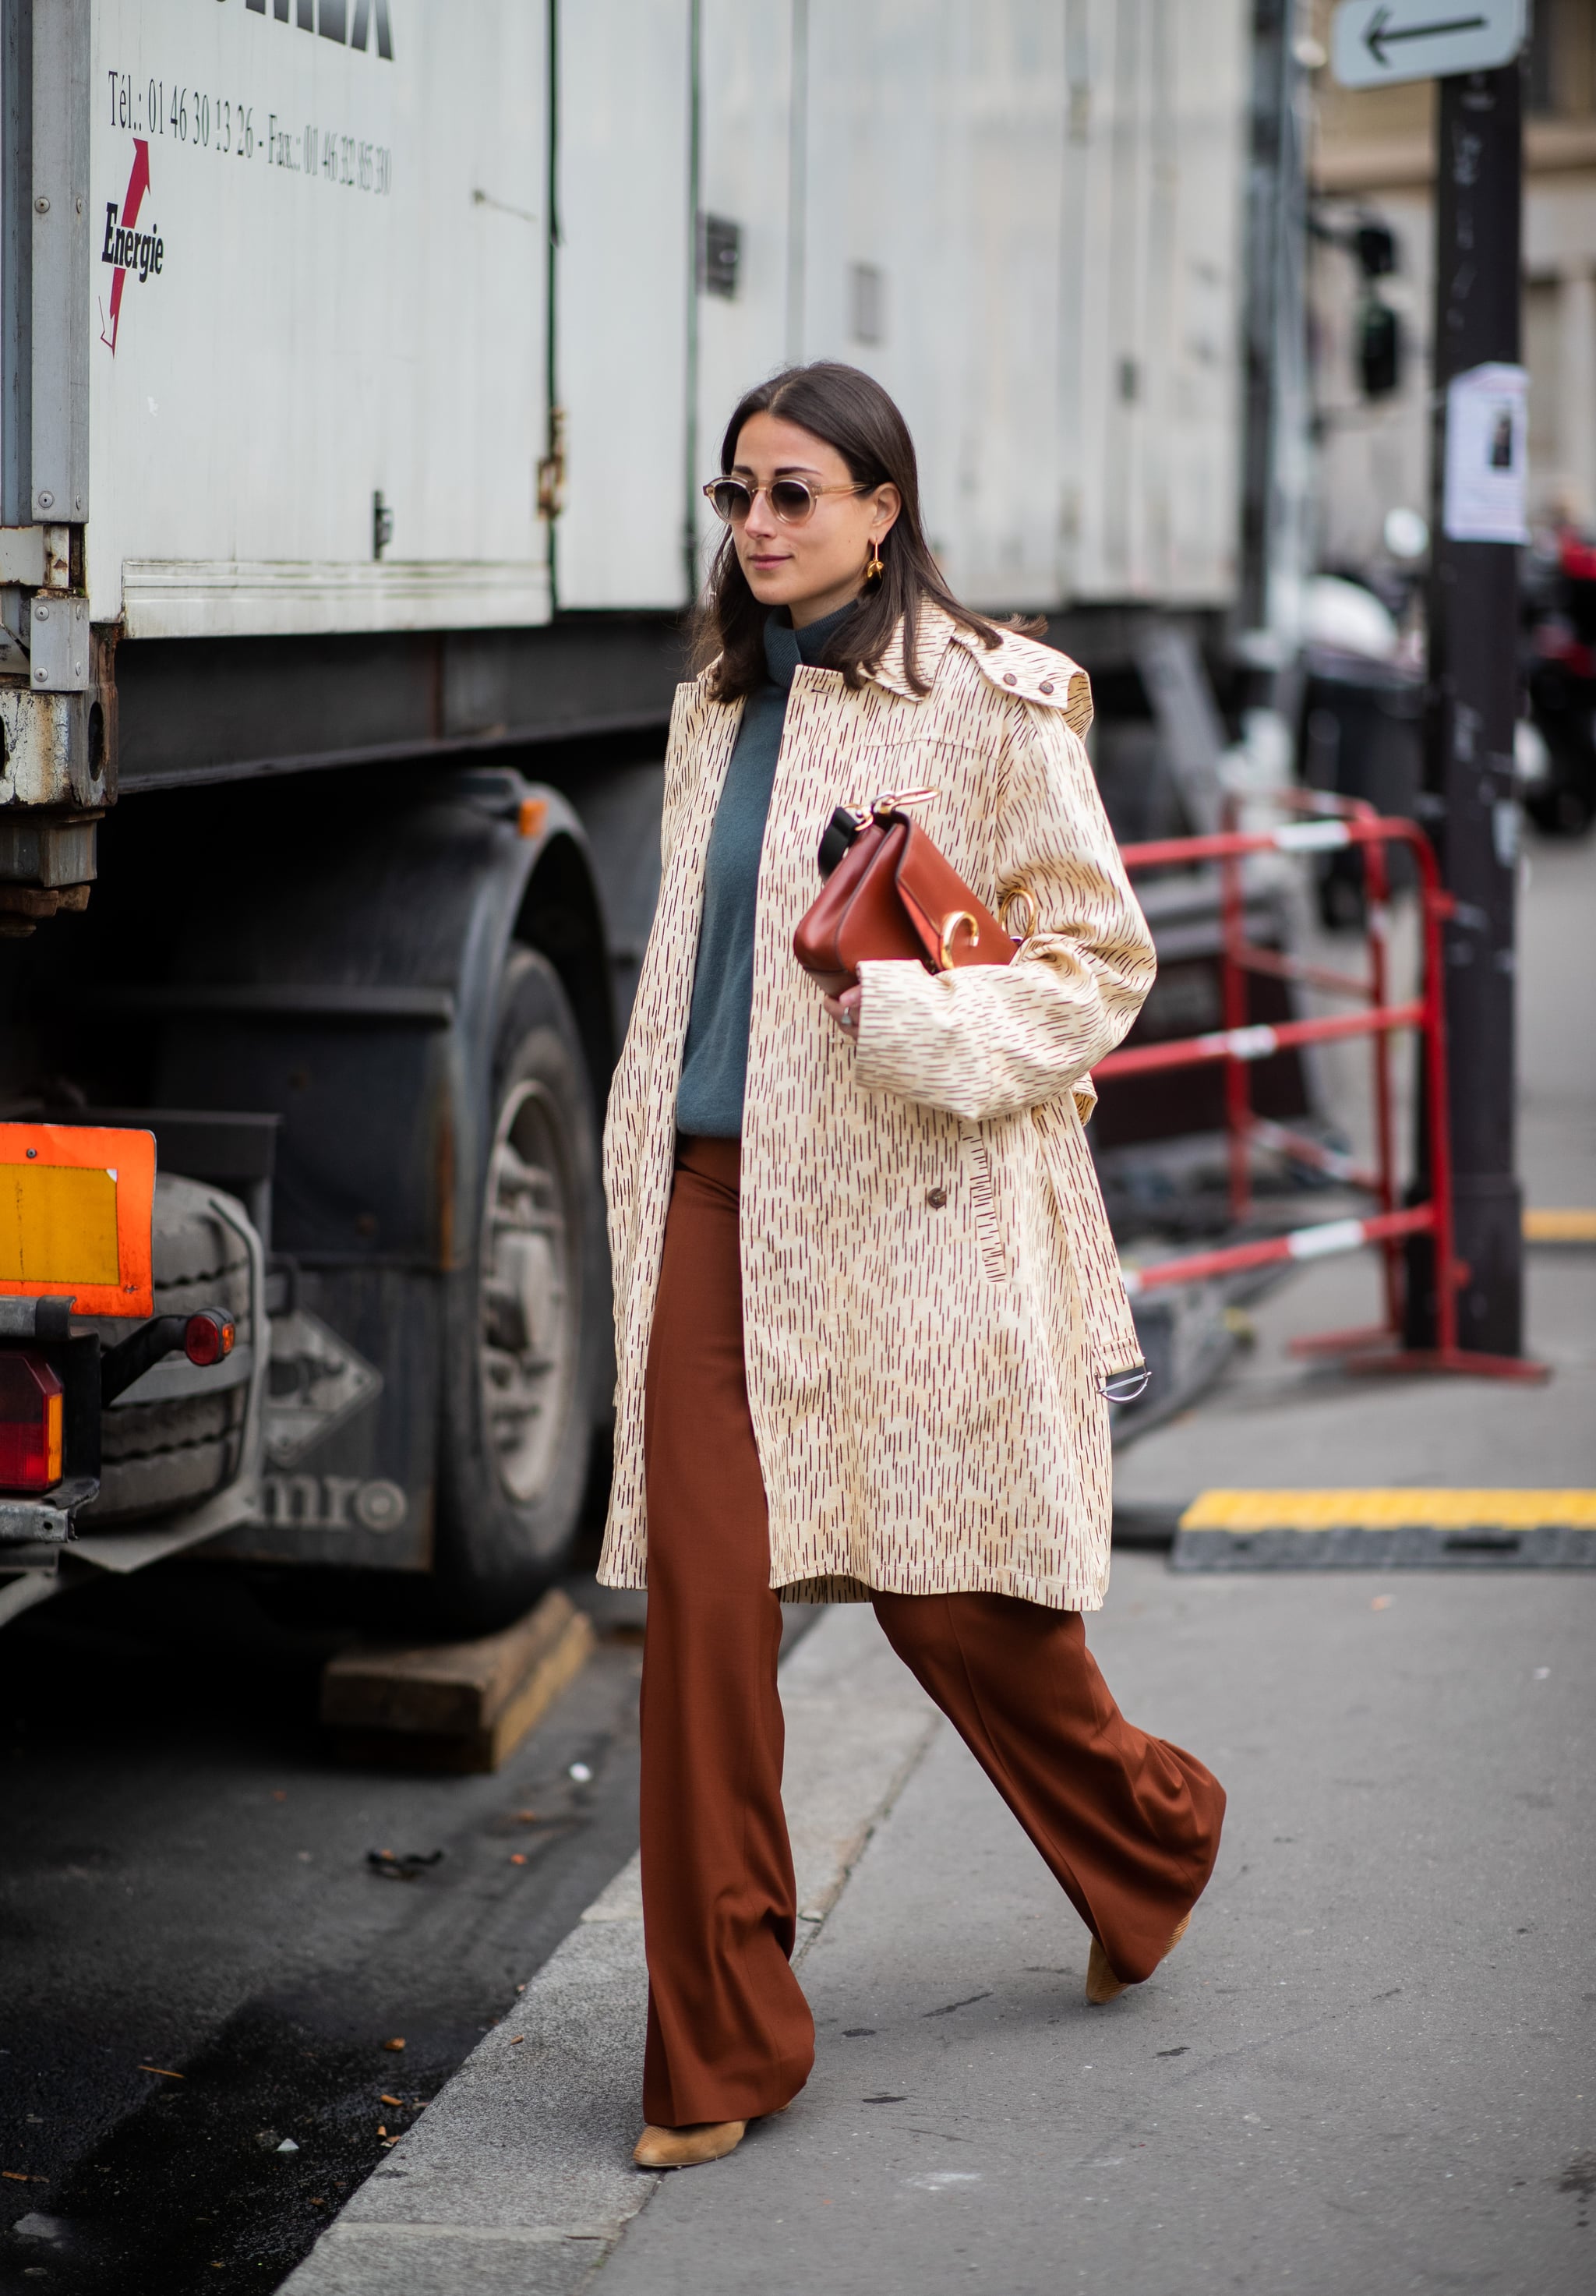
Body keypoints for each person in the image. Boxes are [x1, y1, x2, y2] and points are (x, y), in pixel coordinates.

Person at [598, 362, 1226, 2171]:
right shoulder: (713, 708)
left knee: (961, 1609)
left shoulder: (994, 703)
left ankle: (1153, 1835)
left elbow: (1101, 963)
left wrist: (923, 1024)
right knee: (708, 1630)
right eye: (737, 496)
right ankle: (716, 2048)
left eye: (796, 494)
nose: (761, 527)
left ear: (884, 507)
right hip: (718, 1213)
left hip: (916, 1208)